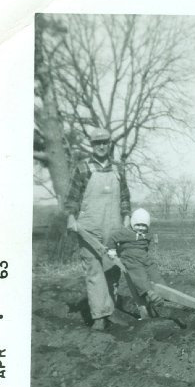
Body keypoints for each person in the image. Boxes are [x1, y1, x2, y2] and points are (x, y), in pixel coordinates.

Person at [65, 127, 131, 331]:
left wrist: (127, 218)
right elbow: (73, 197)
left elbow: (124, 197)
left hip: (113, 227)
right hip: (89, 228)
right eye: (96, 143)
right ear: (92, 145)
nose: (101, 146)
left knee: (111, 270)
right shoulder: (83, 168)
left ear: (110, 143)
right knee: (94, 270)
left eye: (104, 142)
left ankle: (110, 311)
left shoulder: (118, 169)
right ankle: (99, 317)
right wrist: (70, 217)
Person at [106, 208, 165, 310]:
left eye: (144, 225)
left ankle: (163, 290)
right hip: (130, 258)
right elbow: (112, 238)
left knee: (153, 270)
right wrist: (112, 251)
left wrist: (154, 241)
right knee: (139, 275)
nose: (141, 228)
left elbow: (149, 241)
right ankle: (149, 293)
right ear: (133, 223)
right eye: (138, 225)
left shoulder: (147, 234)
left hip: (144, 257)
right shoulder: (125, 233)